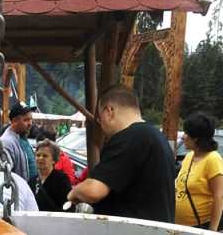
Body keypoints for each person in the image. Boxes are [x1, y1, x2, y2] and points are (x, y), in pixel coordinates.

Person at [66, 85, 174, 223]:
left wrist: (74, 192)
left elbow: (94, 191)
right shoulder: (157, 137)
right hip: (155, 234)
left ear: (109, 111)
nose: (101, 125)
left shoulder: (129, 137)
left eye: (100, 119)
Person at [175, 113, 223, 232]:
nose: (183, 137)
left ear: (196, 138)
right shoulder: (189, 157)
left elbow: (219, 196)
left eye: (186, 133)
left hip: (201, 228)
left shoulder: (213, 159)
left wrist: (212, 231)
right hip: (182, 228)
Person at [0, 101, 38, 181]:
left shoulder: (22, 136)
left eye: (31, 119)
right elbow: (6, 175)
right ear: (14, 121)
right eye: (26, 120)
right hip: (20, 190)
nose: (30, 123)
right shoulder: (7, 142)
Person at [30, 139, 71, 211]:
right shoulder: (32, 181)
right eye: (38, 155)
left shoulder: (61, 180)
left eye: (45, 156)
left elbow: (67, 206)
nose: (40, 158)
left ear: (54, 160)